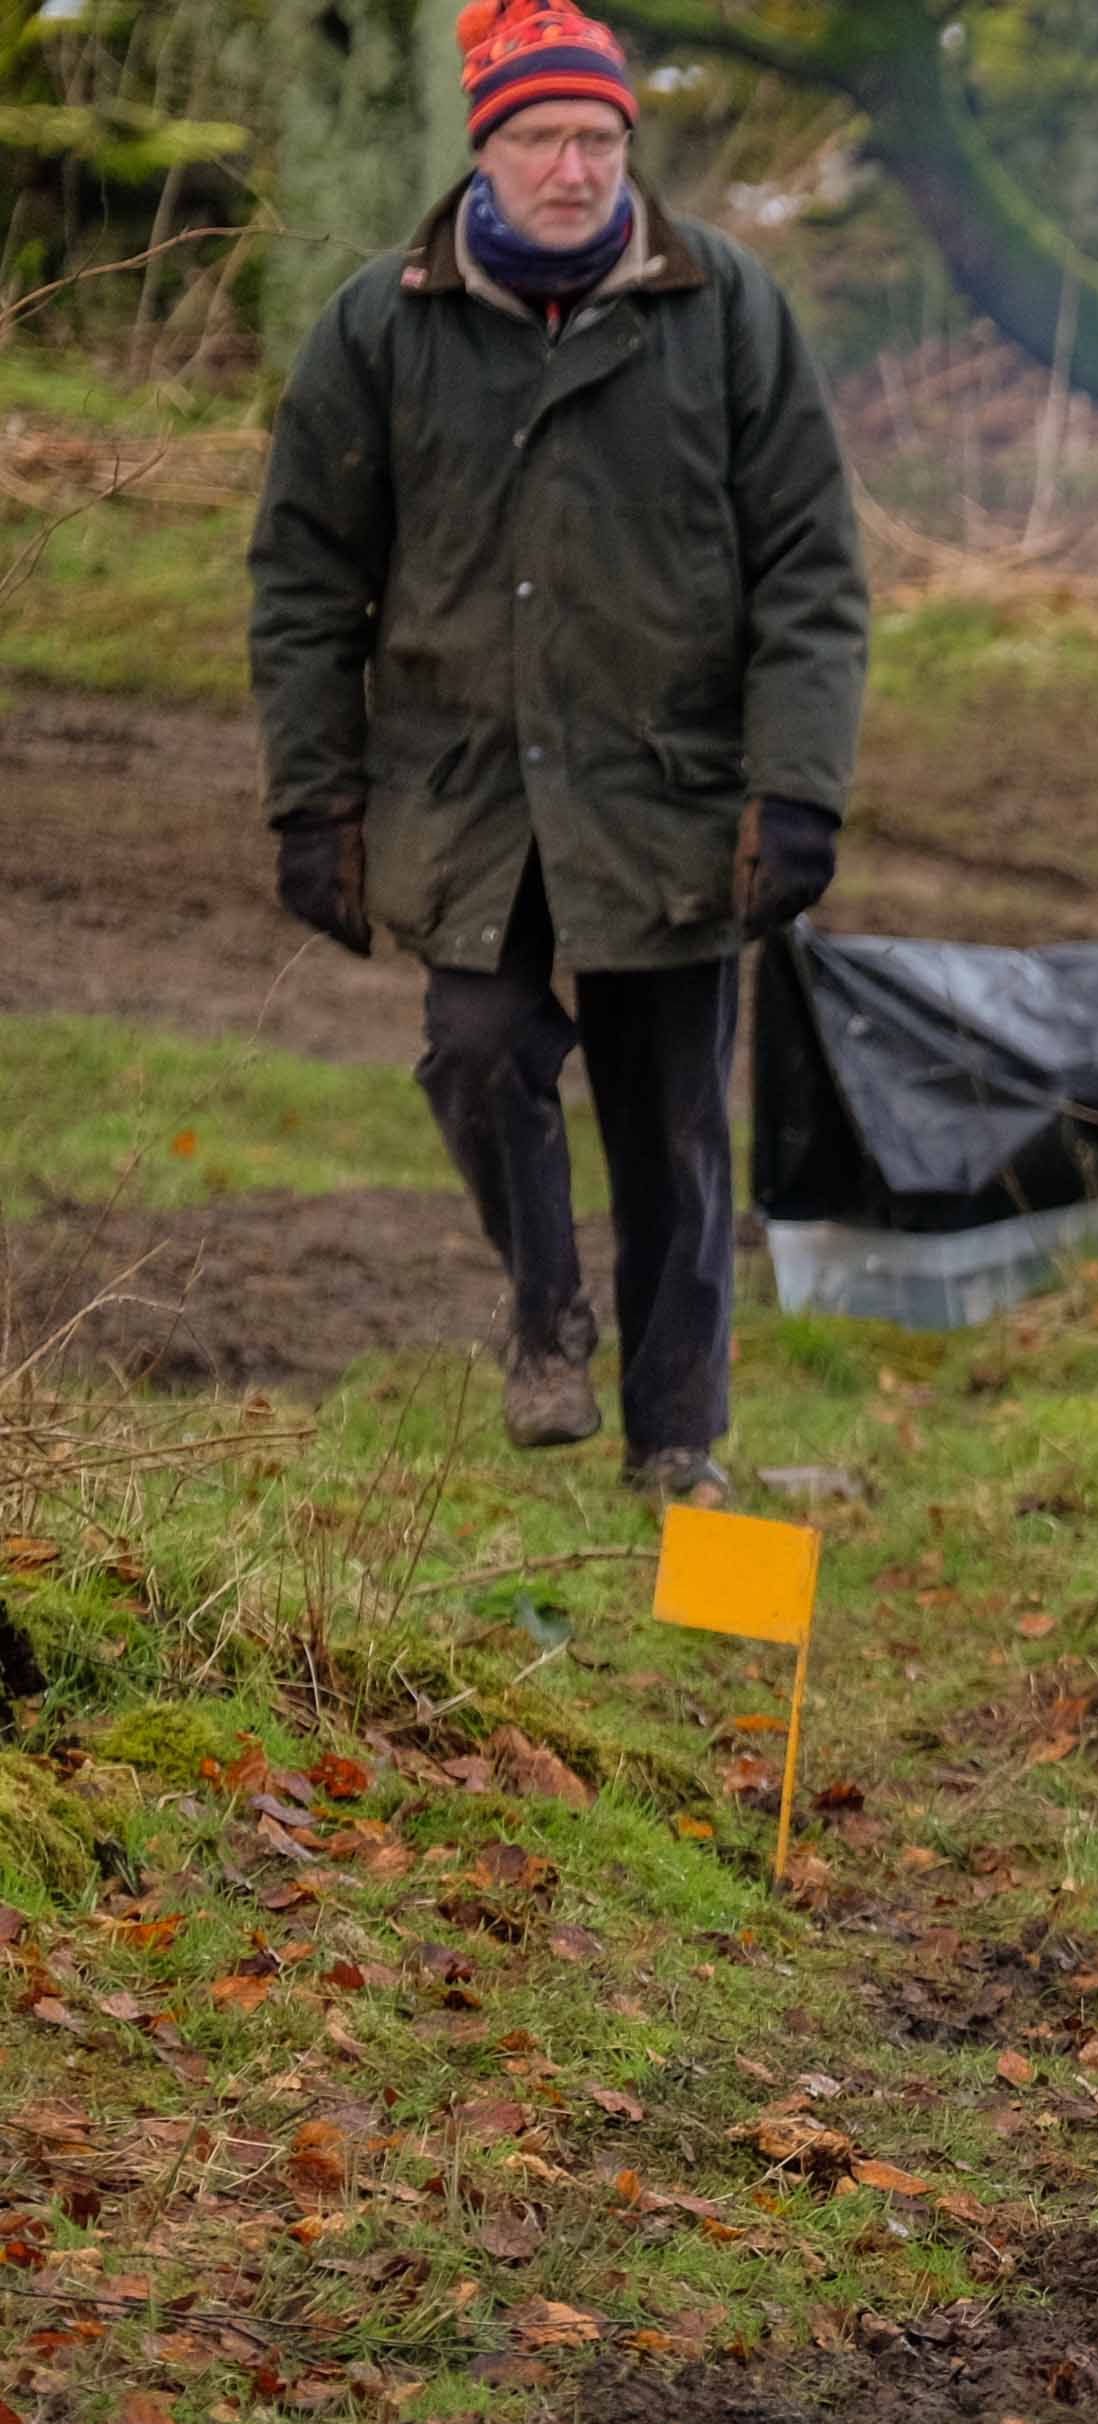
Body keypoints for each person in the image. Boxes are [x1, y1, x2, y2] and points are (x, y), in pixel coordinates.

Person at [248, 0, 868, 1502]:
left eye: (600, 138)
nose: (577, 167)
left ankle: (676, 1440)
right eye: (544, 138)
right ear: (486, 150)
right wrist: (312, 797)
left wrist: (795, 789)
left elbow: (811, 570)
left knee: (672, 1133)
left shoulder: (725, 310)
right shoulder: (380, 324)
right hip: (466, 786)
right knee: (474, 1049)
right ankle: (544, 1312)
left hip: (670, 788)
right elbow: (306, 578)